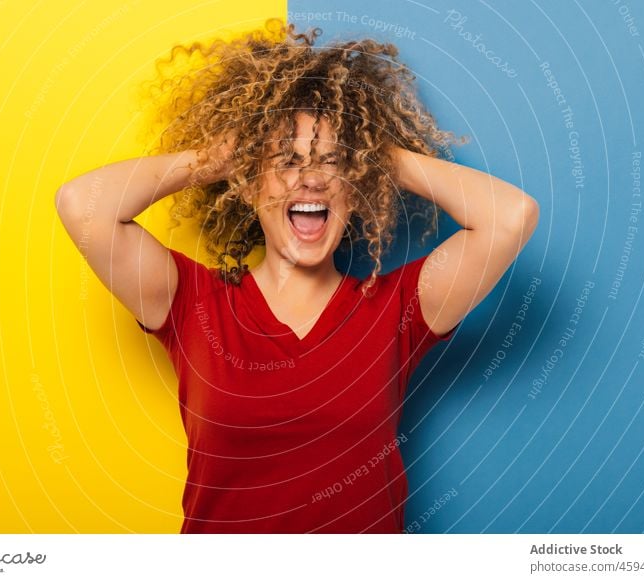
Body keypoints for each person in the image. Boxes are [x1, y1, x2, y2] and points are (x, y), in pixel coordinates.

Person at [54, 19, 539, 533]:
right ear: (246, 184)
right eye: (286, 161)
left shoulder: (399, 308)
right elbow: (82, 205)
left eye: (333, 164)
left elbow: (510, 216)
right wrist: (218, 157)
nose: (310, 177)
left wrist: (374, 155)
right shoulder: (190, 301)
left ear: (357, 192)